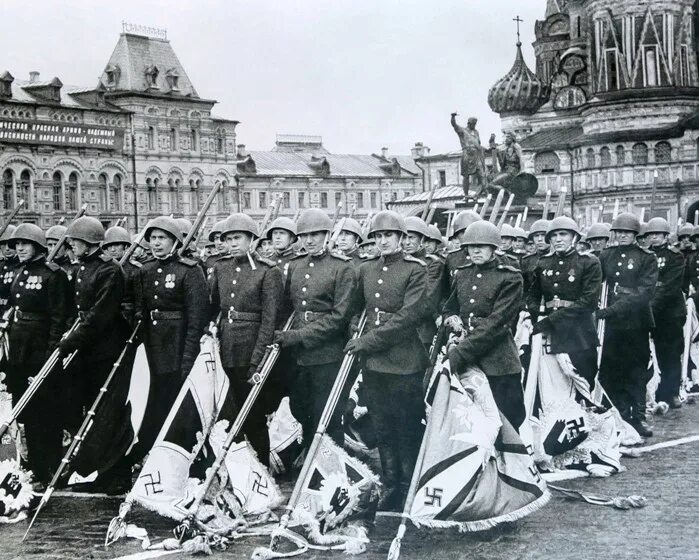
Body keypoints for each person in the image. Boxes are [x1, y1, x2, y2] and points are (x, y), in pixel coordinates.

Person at [344, 210, 428, 510]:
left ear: (402, 238)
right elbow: (354, 307)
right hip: (374, 363)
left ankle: (410, 485)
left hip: (404, 359)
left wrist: (367, 340)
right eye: (378, 236)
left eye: (388, 236)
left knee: (406, 425)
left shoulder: (415, 270)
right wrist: (356, 329)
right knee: (382, 425)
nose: (382, 241)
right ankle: (390, 484)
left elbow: (409, 316)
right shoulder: (366, 269)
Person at [274, 209, 356, 447]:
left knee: (328, 418)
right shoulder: (297, 265)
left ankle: (333, 474)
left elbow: (339, 317)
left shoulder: (343, 267)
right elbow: (288, 307)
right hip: (299, 356)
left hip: (327, 354)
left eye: (315, 235)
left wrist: (299, 335)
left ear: (327, 235)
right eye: (304, 236)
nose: (309, 240)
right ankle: (309, 464)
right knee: (301, 409)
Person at [209, 214, 283, 465]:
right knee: (227, 413)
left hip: (250, 349)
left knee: (253, 414)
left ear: (252, 239)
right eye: (228, 239)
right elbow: (214, 307)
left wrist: (257, 361)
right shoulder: (221, 267)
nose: (232, 244)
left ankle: (262, 468)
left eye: (237, 238)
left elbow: (270, 319)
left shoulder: (267, 271)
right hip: (225, 349)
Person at [133, 216, 209, 458]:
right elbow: (141, 310)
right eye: (153, 239)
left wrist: (188, 355)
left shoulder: (189, 271)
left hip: (177, 345)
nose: (156, 244)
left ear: (175, 242)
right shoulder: (145, 270)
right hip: (152, 347)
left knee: (175, 401)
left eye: (162, 238)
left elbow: (197, 317)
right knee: (153, 401)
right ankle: (151, 450)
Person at [4, 224, 70, 485]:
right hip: (20, 348)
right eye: (16, 244)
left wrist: (51, 354)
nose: (19, 248)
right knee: (26, 411)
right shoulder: (20, 272)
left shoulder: (53, 275)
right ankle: (36, 465)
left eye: (25, 244)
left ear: (39, 247)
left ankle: (50, 468)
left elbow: (59, 318)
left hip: (40, 349)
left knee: (46, 411)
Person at [445, 221, 525, 431]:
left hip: (497, 359)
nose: (476, 250)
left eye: (482, 246)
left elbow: (496, 324)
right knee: (469, 423)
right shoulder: (462, 274)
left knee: (506, 422)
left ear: (494, 248)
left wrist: (459, 353)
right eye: (472, 246)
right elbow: (449, 306)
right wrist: (453, 320)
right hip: (467, 357)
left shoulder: (510, 277)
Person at [597, 213, 657, 437]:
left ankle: (638, 417)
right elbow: (598, 282)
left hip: (636, 322)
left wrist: (612, 309)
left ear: (635, 234)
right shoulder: (607, 255)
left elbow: (644, 293)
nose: (622, 235)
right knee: (611, 369)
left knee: (636, 371)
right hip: (611, 325)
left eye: (627, 232)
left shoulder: (646, 258)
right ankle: (620, 415)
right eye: (618, 232)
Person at [527, 217, 602, 390]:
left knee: (583, 378)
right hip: (549, 333)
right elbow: (532, 295)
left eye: (563, 234)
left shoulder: (588, 262)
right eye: (554, 236)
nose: (558, 239)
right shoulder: (543, 262)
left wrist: (550, 320)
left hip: (579, 332)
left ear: (574, 237)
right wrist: (536, 317)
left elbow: (588, 301)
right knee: (550, 382)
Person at [645, 217, 686, 409]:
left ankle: (671, 392)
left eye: (657, 234)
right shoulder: (644, 255)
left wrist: (650, 302)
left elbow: (669, 286)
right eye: (651, 234)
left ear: (665, 236)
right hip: (649, 311)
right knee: (650, 354)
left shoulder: (675, 256)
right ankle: (654, 390)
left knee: (670, 352)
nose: (654, 237)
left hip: (670, 313)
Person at [102, 225, 141, 327]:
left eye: (117, 245)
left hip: (127, 318)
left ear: (125, 246)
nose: (113, 249)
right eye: (109, 246)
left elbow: (139, 302)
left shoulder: (135, 270)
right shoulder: (103, 269)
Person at [0, 225, 18, 312]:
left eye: (10, 244)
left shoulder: (23, 266)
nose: (7, 248)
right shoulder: (1, 265)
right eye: (3, 244)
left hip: (13, 313)